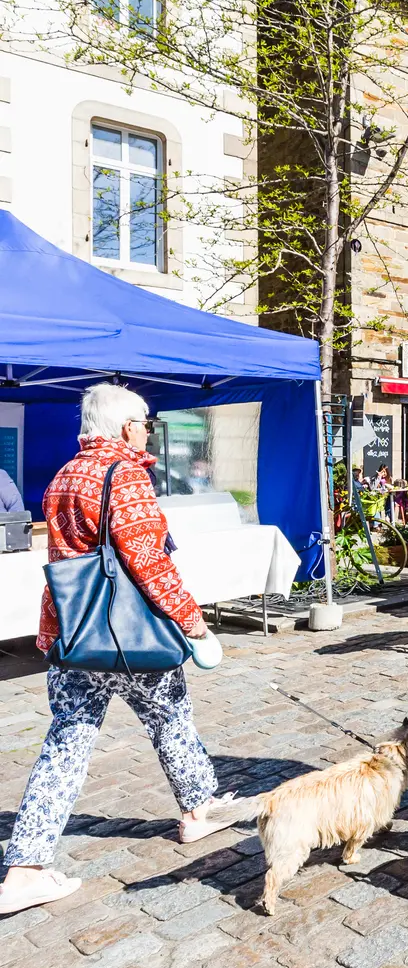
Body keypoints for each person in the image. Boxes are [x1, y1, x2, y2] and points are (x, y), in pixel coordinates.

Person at [0, 384, 230, 916]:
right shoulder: (124, 475)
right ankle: (198, 812)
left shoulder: (64, 473)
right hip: (130, 635)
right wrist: (192, 622)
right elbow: (149, 562)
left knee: (66, 745)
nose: (149, 429)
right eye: (145, 420)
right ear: (126, 426)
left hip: (74, 633)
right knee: (171, 719)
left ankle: (26, 867)